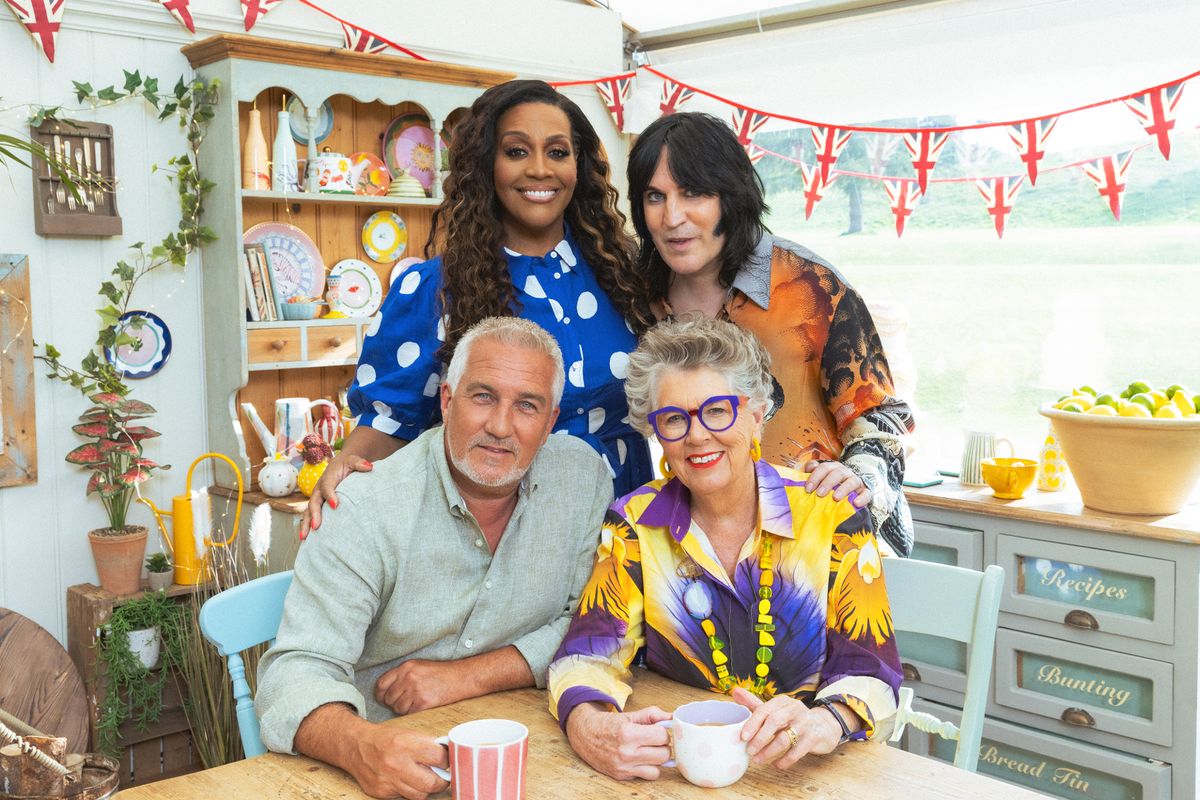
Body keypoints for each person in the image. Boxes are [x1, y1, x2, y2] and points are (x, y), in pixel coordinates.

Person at [257, 318, 614, 800]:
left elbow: (587, 622)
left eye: (527, 405)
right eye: (483, 396)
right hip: (378, 769)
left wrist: (467, 676)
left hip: (536, 754)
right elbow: (295, 672)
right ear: (447, 400)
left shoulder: (583, 478)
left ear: (550, 422)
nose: (500, 427)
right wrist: (361, 747)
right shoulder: (364, 508)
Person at [548, 315, 901, 782]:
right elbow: (587, 656)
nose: (696, 436)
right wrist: (588, 726)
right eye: (674, 419)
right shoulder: (633, 524)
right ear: (655, 433)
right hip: (679, 775)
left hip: (807, 775)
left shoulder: (831, 513)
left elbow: (873, 673)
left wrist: (825, 721)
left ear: (756, 415)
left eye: (717, 411)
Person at [302, 79, 655, 538]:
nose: (539, 170)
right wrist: (348, 465)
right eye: (516, 151)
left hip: (628, 528)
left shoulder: (623, 274)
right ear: (486, 164)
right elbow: (390, 423)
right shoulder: (434, 289)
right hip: (503, 542)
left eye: (557, 152)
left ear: (580, 165)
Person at [626, 112, 916, 556]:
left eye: (693, 193)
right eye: (654, 196)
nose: (672, 217)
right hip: (697, 552)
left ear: (732, 195)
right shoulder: (635, 296)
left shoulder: (813, 287)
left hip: (820, 548)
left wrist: (861, 475)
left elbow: (882, 417)